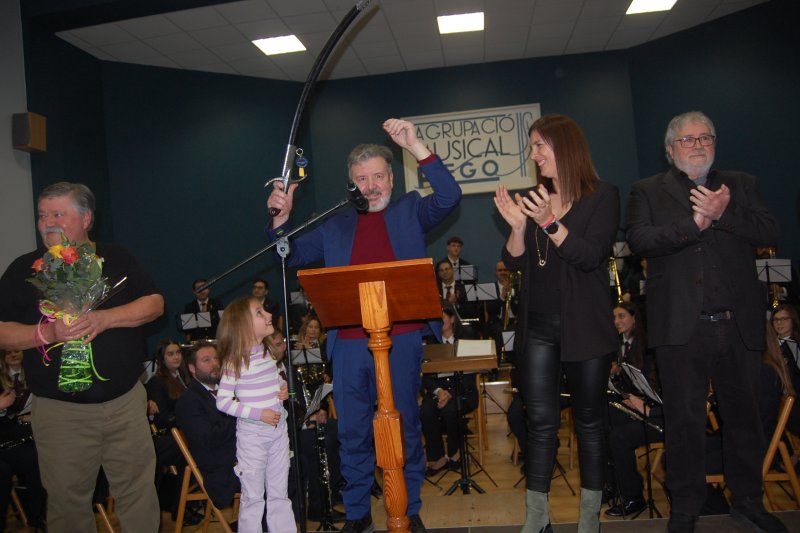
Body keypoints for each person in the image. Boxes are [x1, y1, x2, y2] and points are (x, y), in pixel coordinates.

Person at [267, 118, 461, 533]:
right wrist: (282, 218)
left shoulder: (411, 209)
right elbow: (291, 254)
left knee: (405, 428)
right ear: (351, 184)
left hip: (402, 340)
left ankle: (408, 508)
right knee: (353, 433)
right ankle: (357, 513)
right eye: (361, 179)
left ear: (391, 177)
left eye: (377, 176)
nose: (371, 186)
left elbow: (449, 195)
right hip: (351, 345)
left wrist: (417, 146)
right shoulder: (335, 222)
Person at [625, 111, 785, 533]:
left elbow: (770, 231)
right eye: (688, 139)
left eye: (705, 138)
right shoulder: (647, 191)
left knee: (745, 417)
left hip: (738, 324)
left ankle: (749, 499)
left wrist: (724, 214)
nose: (697, 145)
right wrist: (694, 224)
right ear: (670, 149)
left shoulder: (741, 185)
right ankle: (685, 508)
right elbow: (639, 240)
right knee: (684, 422)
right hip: (682, 327)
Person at [0, 181, 163, 533]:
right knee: (67, 506)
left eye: (58, 214)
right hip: (60, 413)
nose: (47, 223)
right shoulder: (23, 269)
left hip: (123, 404)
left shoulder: (117, 258)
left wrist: (105, 319)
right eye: (42, 215)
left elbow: (155, 304)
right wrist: (47, 333)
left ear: (86, 218)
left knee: (139, 497)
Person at [494, 114, 619, 533]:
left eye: (539, 146)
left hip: (586, 325)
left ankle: (589, 520)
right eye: (532, 147)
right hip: (539, 327)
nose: (533, 155)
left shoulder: (603, 195)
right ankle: (536, 519)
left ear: (564, 147)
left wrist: (549, 222)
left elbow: (590, 255)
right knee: (539, 421)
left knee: (589, 421)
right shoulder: (535, 198)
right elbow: (515, 262)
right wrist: (516, 227)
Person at [215, 297, 294, 533]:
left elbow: (274, 378)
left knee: (280, 494)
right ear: (243, 326)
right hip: (253, 437)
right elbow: (223, 402)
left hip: (278, 432)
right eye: (259, 313)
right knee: (253, 498)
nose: (268, 314)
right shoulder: (234, 362)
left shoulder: (268, 353)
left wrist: (281, 387)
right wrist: (258, 414)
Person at [605, 302, 663, 518]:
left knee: (618, 434)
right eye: (614, 317)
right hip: (638, 404)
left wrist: (638, 399)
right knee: (606, 420)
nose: (617, 321)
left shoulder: (648, 347)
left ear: (635, 318)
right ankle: (613, 485)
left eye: (622, 316)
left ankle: (633, 496)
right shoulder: (618, 344)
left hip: (654, 413)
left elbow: (653, 386)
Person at [175, 341, 240, 510]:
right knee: (277, 474)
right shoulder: (188, 401)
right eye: (206, 360)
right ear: (192, 368)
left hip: (241, 456)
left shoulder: (228, 390)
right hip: (221, 470)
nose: (215, 364)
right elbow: (209, 439)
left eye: (216, 358)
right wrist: (239, 414)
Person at [419, 307, 477, 476]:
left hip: (461, 390)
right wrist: (439, 391)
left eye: (442, 317)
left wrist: (450, 393)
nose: (439, 322)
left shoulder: (465, 340)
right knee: (425, 412)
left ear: (452, 319)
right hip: (437, 392)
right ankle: (438, 457)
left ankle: (455, 453)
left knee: (451, 409)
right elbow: (426, 376)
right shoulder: (430, 343)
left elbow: (470, 372)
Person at [0, 349, 46, 531]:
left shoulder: (32, 374)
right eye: (8, 352)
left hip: (19, 439)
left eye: (17, 350)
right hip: (5, 441)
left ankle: (37, 518)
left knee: (36, 457)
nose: (13, 355)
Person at [770, 304, 800, 433]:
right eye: (776, 319)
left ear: (793, 321)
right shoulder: (770, 344)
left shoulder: (796, 346)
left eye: (784, 319)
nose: (779, 323)